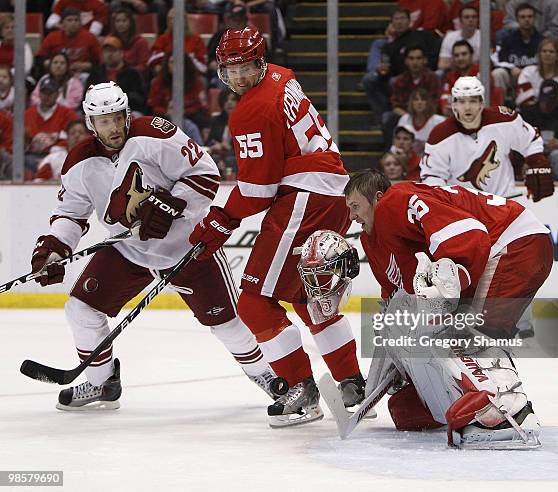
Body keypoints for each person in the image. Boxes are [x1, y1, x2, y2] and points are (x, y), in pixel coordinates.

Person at [29, 82, 275, 410]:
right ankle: (102, 383)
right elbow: (71, 214)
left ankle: (268, 377)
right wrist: (56, 248)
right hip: (129, 249)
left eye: (118, 117)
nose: (113, 127)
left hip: (188, 246)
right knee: (80, 309)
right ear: (91, 124)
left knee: (227, 324)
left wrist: (172, 205)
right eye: (104, 121)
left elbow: (205, 175)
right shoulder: (79, 161)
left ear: (127, 113)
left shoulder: (156, 134)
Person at [188, 27, 366, 427]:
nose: (237, 78)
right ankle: (352, 382)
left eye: (245, 68)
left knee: (253, 302)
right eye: (230, 70)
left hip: (305, 199)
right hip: (334, 192)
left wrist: (220, 219)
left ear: (259, 62)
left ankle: (300, 389)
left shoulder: (251, 109)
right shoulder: (282, 75)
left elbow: (258, 190)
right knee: (309, 298)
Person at [343, 169, 552, 448]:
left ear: (378, 198)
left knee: (478, 333)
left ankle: (512, 414)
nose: (352, 216)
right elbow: (398, 301)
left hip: (513, 239)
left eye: (356, 206)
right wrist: (395, 361)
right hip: (504, 245)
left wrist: (455, 276)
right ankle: (480, 403)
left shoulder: (396, 201)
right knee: (407, 408)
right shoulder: (374, 238)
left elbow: (470, 234)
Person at [421, 76, 554, 201]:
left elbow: (530, 140)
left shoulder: (503, 120)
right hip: (462, 212)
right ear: (454, 105)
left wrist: (538, 163)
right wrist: (443, 201)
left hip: (503, 205)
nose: (467, 107)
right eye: (462, 101)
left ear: (481, 103)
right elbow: (432, 177)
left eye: (473, 101)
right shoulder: (440, 135)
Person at [25, 77, 79, 180]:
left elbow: (70, 140)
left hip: (58, 156)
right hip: (32, 158)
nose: (47, 96)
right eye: (44, 92)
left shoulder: (68, 114)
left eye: (51, 93)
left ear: (57, 94)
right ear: (39, 94)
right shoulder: (28, 114)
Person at [85, 36, 148, 116]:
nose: (109, 54)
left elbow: (139, 98)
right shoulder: (96, 74)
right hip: (100, 111)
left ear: (121, 53)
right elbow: (88, 96)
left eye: (113, 51)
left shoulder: (132, 73)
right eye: (106, 51)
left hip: (128, 110)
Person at [491, 2, 542, 99]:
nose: (526, 20)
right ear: (517, 19)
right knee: (498, 73)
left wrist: (527, 71)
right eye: (522, 17)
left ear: (534, 18)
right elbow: (497, 61)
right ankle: (501, 106)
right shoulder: (507, 40)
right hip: (514, 75)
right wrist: (511, 68)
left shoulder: (542, 41)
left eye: (530, 16)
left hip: (534, 77)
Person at [36, 7, 102, 78]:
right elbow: (39, 58)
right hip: (56, 75)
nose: (73, 23)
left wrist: (85, 65)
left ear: (80, 23)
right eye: (69, 20)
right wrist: (54, 65)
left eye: (76, 20)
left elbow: (99, 62)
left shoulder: (90, 37)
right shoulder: (52, 37)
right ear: (62, 23)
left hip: (81, 74)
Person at [515, 38, 558, 107]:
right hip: (533, 111)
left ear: (557, 55)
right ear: (539, 54)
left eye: (551, 52)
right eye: (544, 51)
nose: (547, 54)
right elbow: (523, 98)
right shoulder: (528, 72)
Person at [396, 88, 446, 156]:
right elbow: (397, 144)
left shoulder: (439, 121)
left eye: (423, 99)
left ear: (428, 103)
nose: (419, 102)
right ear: (412, 103)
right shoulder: (404, 119)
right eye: (416, 99)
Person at [438, 5, 480, 73]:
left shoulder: (484, 37)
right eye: (467, 17)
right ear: (460, 20)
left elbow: (488, 65)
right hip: (455, 72)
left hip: (477, 72)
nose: (471, 20)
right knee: (439, 73)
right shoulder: (450, 37)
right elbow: (441, 64)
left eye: (474, 17)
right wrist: (463, 64)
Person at [110, 7, 151, 74]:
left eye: (124, 21)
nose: (120, 24)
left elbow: (144, 65)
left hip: (133, 77)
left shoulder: (141, 42)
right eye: (117, 21)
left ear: (131, 22)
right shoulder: (110, 40)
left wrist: (128, 72)